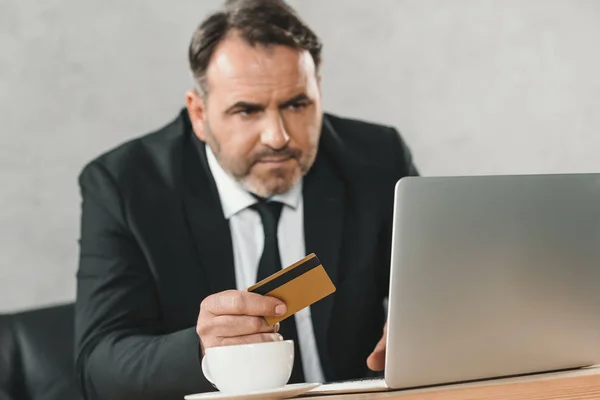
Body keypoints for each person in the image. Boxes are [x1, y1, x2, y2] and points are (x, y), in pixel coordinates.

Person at [74, 0, 418, 399]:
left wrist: (427, 320)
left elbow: (440, 285)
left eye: (296, 104)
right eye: (246, 110)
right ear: (199, 114)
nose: (277, 136)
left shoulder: (377, 158)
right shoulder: (124, 186)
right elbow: (98, 365)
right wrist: (202, 349)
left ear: (318, 92)